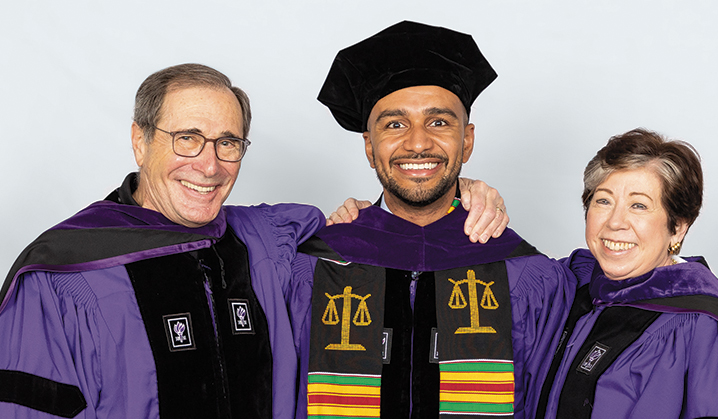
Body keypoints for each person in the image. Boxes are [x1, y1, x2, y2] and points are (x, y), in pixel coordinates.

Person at [0, 63, 508, 418]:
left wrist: (459, 189)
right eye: (187, 138)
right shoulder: (60, 276)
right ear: (140, 140)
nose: (209, 163)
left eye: (228, 143)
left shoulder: (269, 242)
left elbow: (388, 236)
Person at [289, 21, 576, 419]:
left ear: (468, 140)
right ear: (370, 148)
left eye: (439, 122)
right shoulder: (313, 266)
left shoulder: (526, 273)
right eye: (395, 124)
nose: (419, 142)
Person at [535, 128, 718, 418]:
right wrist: (471, 195)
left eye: (639, 205)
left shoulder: (699, 327)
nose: (615, 222)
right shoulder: (575, 282)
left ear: (678, 226)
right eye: (603, 201)